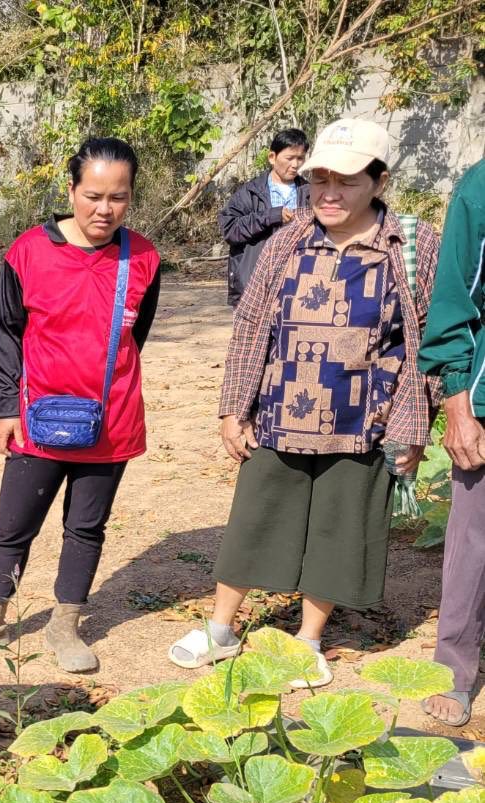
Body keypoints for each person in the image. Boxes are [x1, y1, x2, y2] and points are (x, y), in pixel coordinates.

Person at [169, 119, 439, 688]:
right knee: (255, 517)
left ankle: (307, 639)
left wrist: (413, 426)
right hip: (281, 410)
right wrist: (232, 408)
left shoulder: (411, 246)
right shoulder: (288, 240)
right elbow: (251, 328)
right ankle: (221, 629)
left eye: (345, 181)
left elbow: (428, 344)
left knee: (340, 529)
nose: (329, 193)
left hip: (366, 417)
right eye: (319, 180)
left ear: (379, 181)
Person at [0, 137, 162, 673]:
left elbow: (136, 336)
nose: (103, 210)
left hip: (110, 422)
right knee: (13, 525)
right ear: (71, 190)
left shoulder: (146, 259)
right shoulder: (28, 252)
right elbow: (6, 331)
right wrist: (6, 405)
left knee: (86, 527)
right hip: (38, 419)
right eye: (92, 196)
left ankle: (65, 626)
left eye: (118, 197)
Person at [419, 157, 485, 726]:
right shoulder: (481, 186)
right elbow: (454, 299)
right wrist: (458, 402)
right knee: (473, 542)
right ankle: (455, 670)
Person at [220, 129, 311, 308]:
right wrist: (270, 216)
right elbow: (230, 230)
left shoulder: (310, 192)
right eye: (289, 158)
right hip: (255, 282)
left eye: (300, 158)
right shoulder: (249, 193)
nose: (295, 164)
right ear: (272, 157)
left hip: (298, 284)